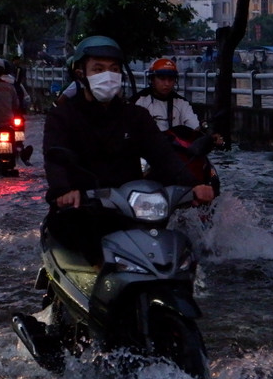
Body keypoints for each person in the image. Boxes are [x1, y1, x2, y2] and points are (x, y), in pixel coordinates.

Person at [43, 35, 215, 264]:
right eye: (98, 68)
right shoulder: (62, 116)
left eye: (114, 69)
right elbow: (55, 157)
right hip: (80, 210)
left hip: (131, 210)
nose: (108, 75)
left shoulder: (135, 116)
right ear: (80, 73)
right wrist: (63, 191)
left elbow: (162, 154)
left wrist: (193, 185)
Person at [133, 58, 202, 132]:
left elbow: (194, 125)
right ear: (152, 79)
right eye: (162, 79)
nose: (167, 84)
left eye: (171, 79)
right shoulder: (140, 101)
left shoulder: (181, 102)